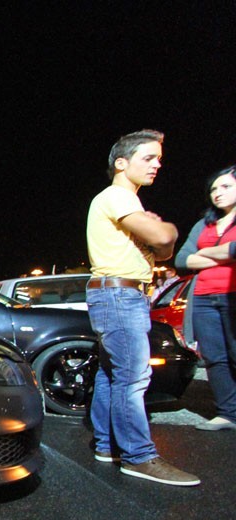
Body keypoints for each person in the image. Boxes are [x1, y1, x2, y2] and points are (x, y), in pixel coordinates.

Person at [85, 129, 199, 485]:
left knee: (112, 374)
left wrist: (159, 233)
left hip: (118, 294)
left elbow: (164, 253)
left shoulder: (128, 202)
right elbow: (165, 239)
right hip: (119, 295)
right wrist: (167, 227)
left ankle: (108, 446)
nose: (157, 165)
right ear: (121, 163)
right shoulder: (118, 197)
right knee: (133, 378)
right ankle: (138, 456)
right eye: (148, 158)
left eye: (159, 159)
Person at [175, 165, 236, 431]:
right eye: (213, 189)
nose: (217, 193)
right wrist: (224, 254)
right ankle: (228, 414)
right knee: (214, 357)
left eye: (226, 187)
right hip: (203, 298)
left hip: (232, 296)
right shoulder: (204, 224)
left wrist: (204, 254)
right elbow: (181, 260)